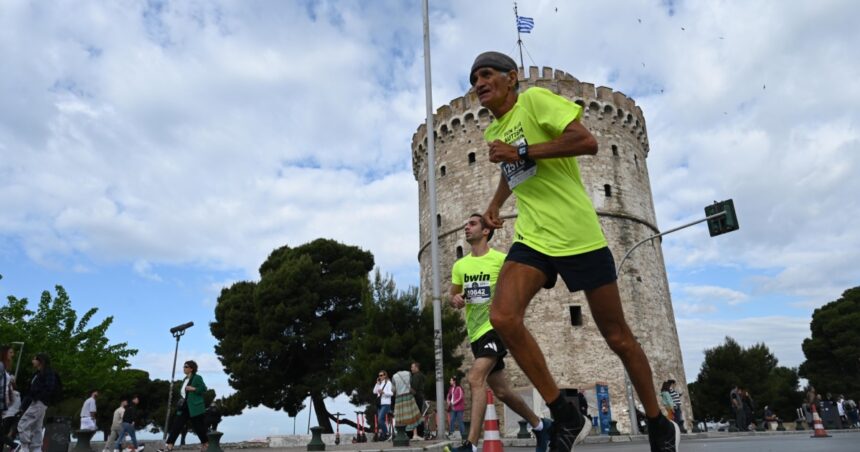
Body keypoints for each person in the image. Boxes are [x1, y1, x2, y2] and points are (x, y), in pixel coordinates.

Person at [469, 50, 680, 452]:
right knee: (503, 317)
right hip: (534, 235)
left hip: (578, 233)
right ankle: (565, 414)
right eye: (474, 79)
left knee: (618, 337)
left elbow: (587, 141)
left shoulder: (534, 100)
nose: (479, 83)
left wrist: (520, 151)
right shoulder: (494, 130)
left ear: (511, 78)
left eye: (487, 74)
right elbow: (514, 171)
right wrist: (495, 204)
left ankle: (657, 422)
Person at [450, 213, 552, 452]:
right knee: (502, 391)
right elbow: (453, 295)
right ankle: (541, 426)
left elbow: (516, 290)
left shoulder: (501, 260)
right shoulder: (460, 265)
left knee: (475, 378)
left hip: (496, 328)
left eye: (472, 224)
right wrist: (455, 300)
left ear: (486, 231)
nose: (466, 227)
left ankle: (470, 445)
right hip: (476, 333)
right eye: (466, 224)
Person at [159, 360, 208, 452]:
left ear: (191, 369)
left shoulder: (197, 378)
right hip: (185, 406)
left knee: (198, 427)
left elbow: (204, 389)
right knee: (177, 425)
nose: (184, 368)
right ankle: (169, 445)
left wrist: (193, 388)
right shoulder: (185, 379)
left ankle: (205, 443)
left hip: (194, 407)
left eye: (186, 366)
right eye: (184, 366)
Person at [18, 353, 59, 452]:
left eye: (34, 359)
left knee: (23, 424)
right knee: (36, 427)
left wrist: (38, 397)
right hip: (38, 402)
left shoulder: (48, 373)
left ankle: (24, 447)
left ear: (40, 361)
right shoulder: (37, 374)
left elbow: (49, 388)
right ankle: (36, 448)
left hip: (38, 402)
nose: (32, 361)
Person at [392, 368, 422, 436]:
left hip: (399, 399)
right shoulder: (408, 374)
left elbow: (393, 390)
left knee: (401, 417)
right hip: (409, 397)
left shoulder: (394, 376)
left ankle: (402, 434)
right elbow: (412, 384)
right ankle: (415, 434)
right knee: (413, 415)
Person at [373, 370, 393, 441]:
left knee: (380, 419)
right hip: (380, 404)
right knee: (381, 420)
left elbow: (391, 393)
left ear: (385, 375)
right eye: (379, 376)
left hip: (386, 404)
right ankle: (385, 435)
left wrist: (383, 392)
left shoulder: (388, 383)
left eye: (381, 375)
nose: (380, 377)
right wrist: (377, 384)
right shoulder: (380, 384)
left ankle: (387, 434)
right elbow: (374, 391)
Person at [1, 378, 21, 452]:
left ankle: (14, 445)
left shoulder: (8, 392)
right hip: (15, 416)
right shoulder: (18, 393)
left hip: (7, 416)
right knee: (3, 435)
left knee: (2, 435)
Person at [409, 362, 426, 438]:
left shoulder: (416, 376)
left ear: (416, 367)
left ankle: (418, 433)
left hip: (417, 397)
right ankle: (420, 433)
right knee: (419, 415)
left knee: (416, 415)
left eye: (412, 367)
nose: (411, 369)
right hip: (420, 396)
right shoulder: (421, 375)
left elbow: (414, 389)